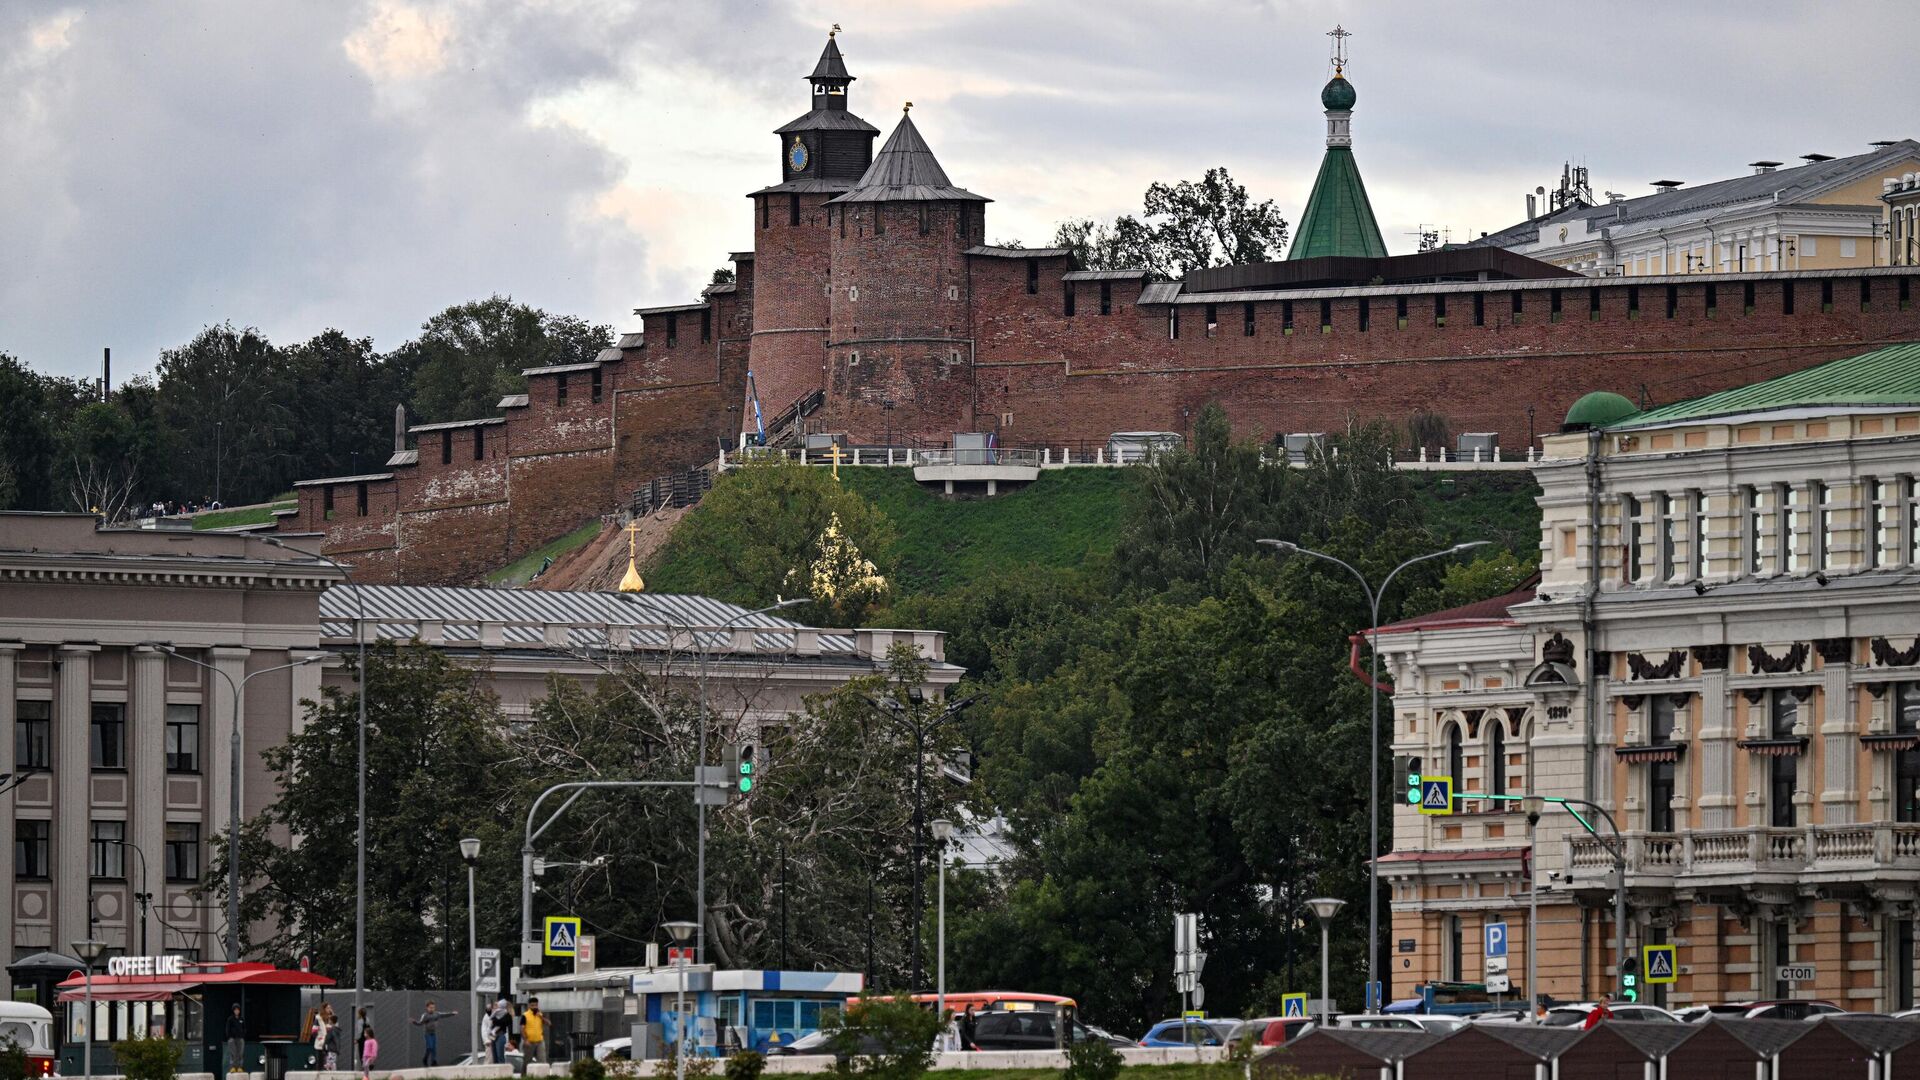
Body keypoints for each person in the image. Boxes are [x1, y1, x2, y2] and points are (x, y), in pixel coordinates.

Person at [412, 1001, 457, 1067]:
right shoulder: (425, 1015)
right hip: (427, 1034)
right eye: (430, 1008)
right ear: (427, 1008)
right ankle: (425, 1059)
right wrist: (414, 1022)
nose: (432, 1009)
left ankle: (433, 1061)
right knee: (429, 1047)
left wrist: (452, 1013)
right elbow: (420, 1023)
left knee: (434, 1048)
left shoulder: (436, 1014)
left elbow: (444, 1015)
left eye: (433, 1007)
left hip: (433, 1034)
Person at [521, 998, 546, 1064]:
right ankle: (525, 1071)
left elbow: (549, 1023)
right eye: (532, 1005)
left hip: (540, 1041)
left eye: (536, 1005)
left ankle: (542, 1071)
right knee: (527, 1061)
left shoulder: (540, 1014)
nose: (534, 1007)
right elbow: (522, 1029)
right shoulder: (525, 1015)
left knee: (542, 1060)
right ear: (529, 1006)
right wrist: (525, 1040)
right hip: (529, 1041)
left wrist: (541, 1017)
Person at [488, 997, 512, 1063]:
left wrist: (496, 1019)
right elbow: (491, 1018)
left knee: (500, 1056)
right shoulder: (496, 1012)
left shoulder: (507, 1015)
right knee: (494, 1056)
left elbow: (503, 1023)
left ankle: (502, 1068)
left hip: (500, 1034)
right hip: (493, 1035)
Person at [225, 1003, 248, 1074]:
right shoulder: (230, 1019)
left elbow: (244, 1028)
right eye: (235, 1010)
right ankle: (233, 1067)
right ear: (233, 1011)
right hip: (232, 1039)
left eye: (238, 1010)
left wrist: (242, 1035)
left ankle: (240, 1067)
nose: (236, 1011)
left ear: (239, 1011)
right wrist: (229, 1037)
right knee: (233, 1053)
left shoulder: (242, 1019)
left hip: (240, 1038)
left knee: (240, 1053)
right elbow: (227, 1029)